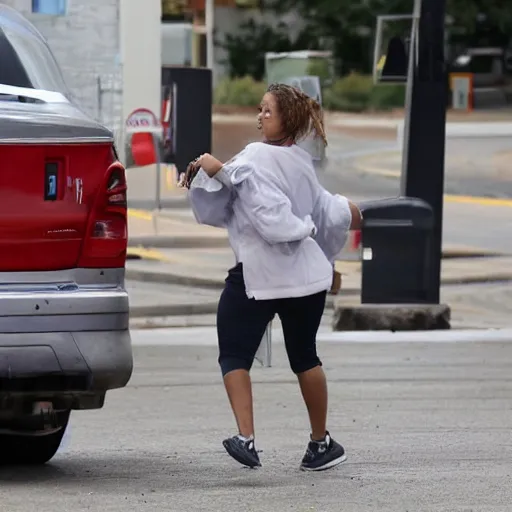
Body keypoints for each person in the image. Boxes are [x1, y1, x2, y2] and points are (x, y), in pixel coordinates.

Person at [180, 83, 362, 471]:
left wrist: (215, 169)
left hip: (259, 277)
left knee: (233, 353)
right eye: (260, 110)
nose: (260, 117)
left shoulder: (256, 156)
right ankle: (321, 443)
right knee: (305, 358)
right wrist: (328, 264)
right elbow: (328, 216)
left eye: (268, 111)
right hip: (305, 280)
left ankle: (246, 437)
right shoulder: (303, 164)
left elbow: (254, 199)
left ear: (287, 121)